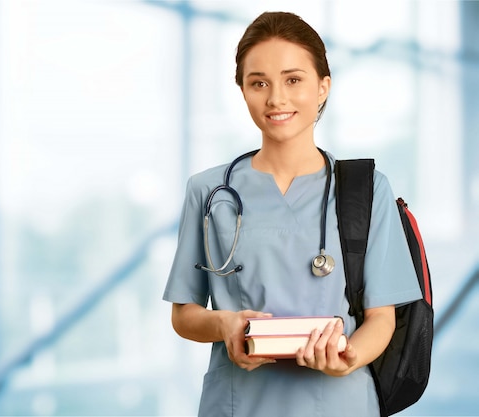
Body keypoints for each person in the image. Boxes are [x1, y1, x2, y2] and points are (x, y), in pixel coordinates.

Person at [162, 11, 422, 417]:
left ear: (323, 87)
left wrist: (347, 357)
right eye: (258, 83)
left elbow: (382, 319)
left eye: (293, 80)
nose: (276, 98)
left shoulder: (366, 190)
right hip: (239, 404)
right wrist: (226, 325)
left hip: (340, 403)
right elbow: (184, 314)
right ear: (243, 90)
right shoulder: (210, 192)